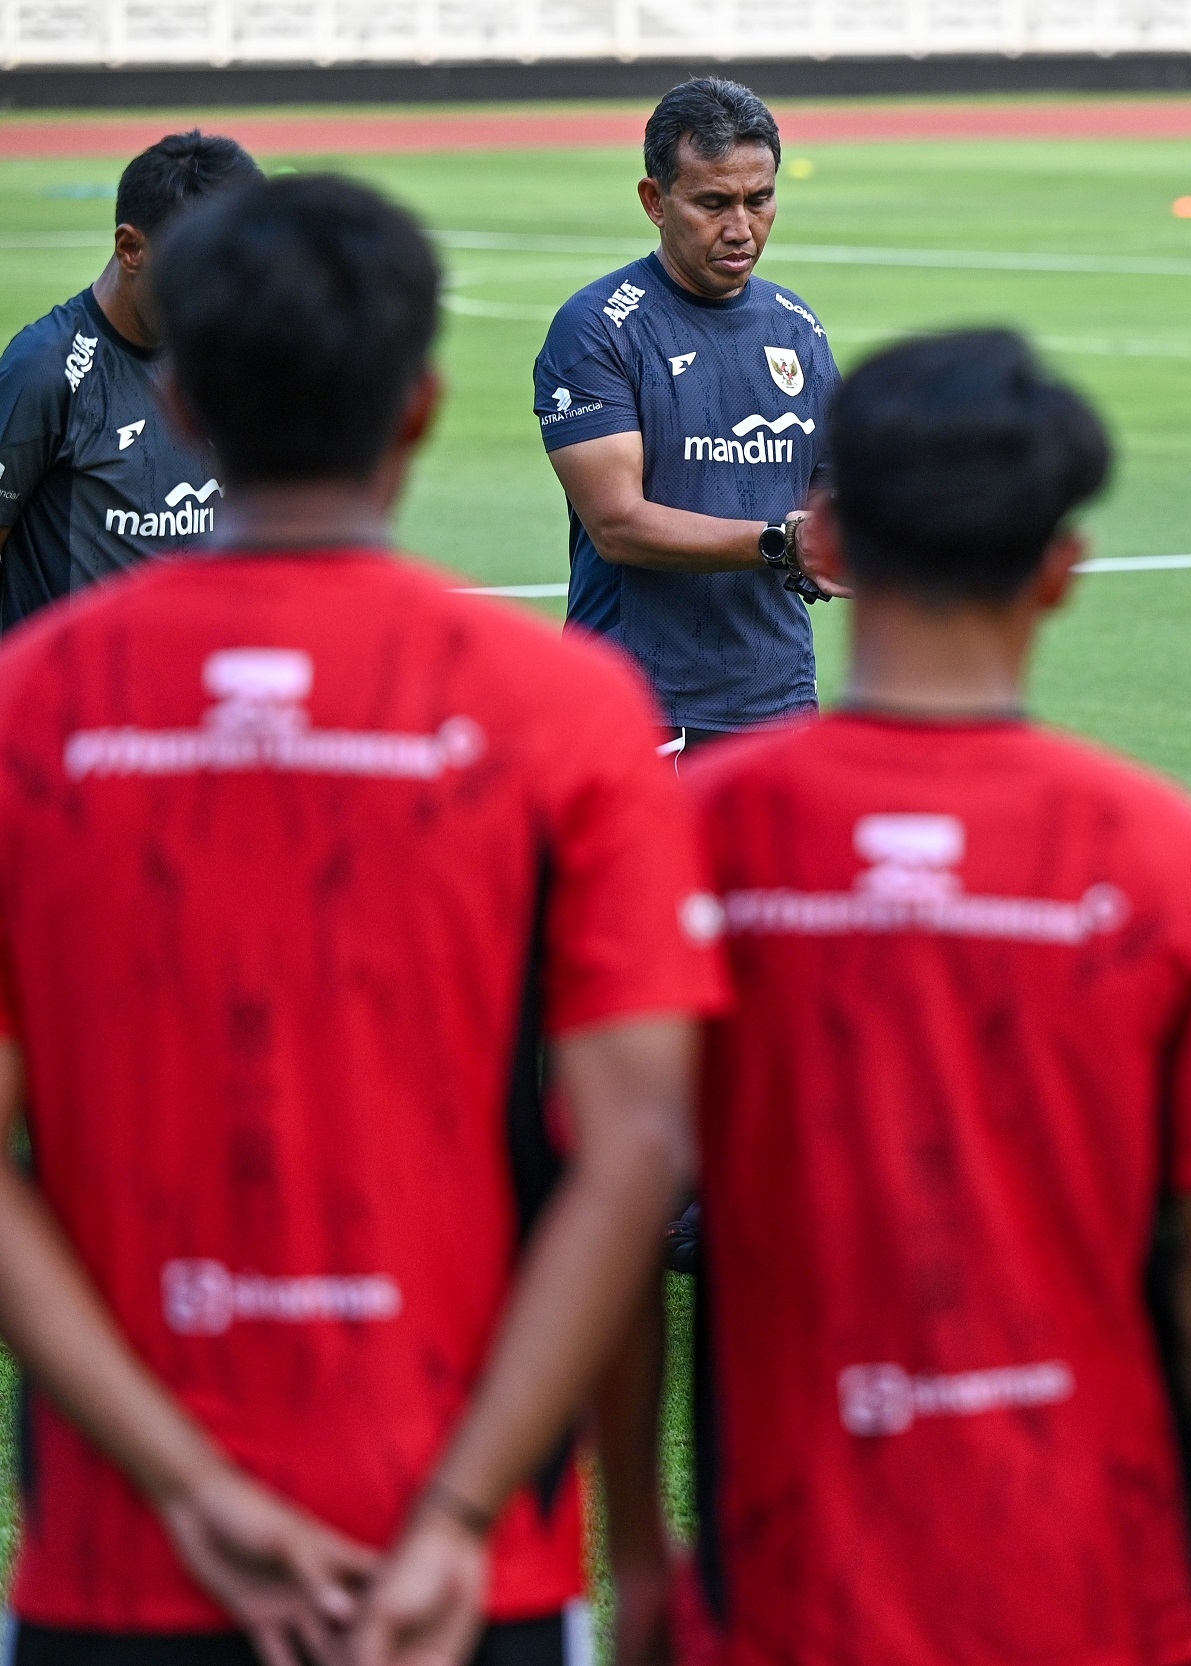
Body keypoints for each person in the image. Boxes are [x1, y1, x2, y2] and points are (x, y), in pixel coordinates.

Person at [0, 176, 721, 1666]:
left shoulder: (31, 709)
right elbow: (637, 1145)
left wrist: (191, 1485)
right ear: (422, 405)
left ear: (183, 400)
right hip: (463, 1564)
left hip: (124, 1548)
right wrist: (459, 1514)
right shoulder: (573, 714)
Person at [671, 330, 1191, 1666]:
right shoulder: (1169, 861)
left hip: (782, 1581)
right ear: (1062, 573)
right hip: (1094, 1581)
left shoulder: (689, 837)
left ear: (827, 531)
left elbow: (602, 1217)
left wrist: (641, 1543)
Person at [536, 76, 840, 759]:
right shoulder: (598, 329)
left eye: (759, 201)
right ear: (655, 200)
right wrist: (783, 543)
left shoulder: (797, 328)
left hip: (779, 703)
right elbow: (617, 524)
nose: (741, 228)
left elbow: (833, 487)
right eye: (713, 203)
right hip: (638, 707)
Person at [0, 130, 260, 629]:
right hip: (72, 699)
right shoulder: (46, 371)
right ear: (130, 248)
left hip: (179, 694)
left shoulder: (221, 357)